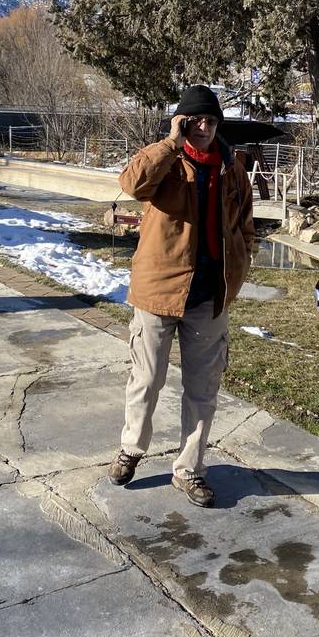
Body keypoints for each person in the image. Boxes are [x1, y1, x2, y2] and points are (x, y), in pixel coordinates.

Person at [108, 85, 254, 507]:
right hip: (159, 291)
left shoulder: (232, 168)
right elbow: (131, 183)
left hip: (210, 297)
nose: (205, 128)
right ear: (182, 121)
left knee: (203, 387)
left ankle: (189, 469)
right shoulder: (167, 163)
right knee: (147, 379)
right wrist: (171, 142)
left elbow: (246, 223)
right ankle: (131, 449)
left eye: (211, 120)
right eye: (195, 121)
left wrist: (240, 263)